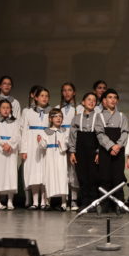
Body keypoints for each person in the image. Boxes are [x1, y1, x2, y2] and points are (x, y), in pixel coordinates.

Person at [94, 88, 128, 214]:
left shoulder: (122, 116)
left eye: (115, 97)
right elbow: (99, 133)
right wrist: (111, 146)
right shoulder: (100, 116)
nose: (113, 100)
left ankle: (119, 204)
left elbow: (125, 132)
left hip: (119, 151)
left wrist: (118, 146)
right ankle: (104, 204)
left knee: (118, 177)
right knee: (105, 177)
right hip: (105, 150)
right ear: (104, 101)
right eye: (110, 97)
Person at [20, 87, 52, 210]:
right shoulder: (28, 112)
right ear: (36, 97)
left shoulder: (51, 112)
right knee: (33, 172)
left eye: (46, 96)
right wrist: (23, 150)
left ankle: (44, 201)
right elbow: (24, 132)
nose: (44, 98)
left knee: (44, 172)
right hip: (32, 145)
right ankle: (34, 201)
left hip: (46, 143)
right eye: (42, 95)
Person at [68, 92, 100, 212]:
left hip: (93, 146)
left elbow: (101, 135)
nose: (91, 102)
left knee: (94, 176)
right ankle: (85, 202)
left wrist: (99, 151)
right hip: (80, 148)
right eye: (89, 99)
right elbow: (72, 135)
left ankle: (94, 202)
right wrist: (72, 151)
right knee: (82, 175)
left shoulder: (99, 117)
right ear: (83, 102)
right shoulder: (76, 118)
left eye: (94, 100)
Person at [0, 99, 20, 210]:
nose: (6, 110)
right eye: (3, 108)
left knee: (10, 174)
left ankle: (10, 200)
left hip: (10, 151)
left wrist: (10, 145)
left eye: (8, 108)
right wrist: (3, 145)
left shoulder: (15, 122)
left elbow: (17, 135)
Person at [38, 108, 70, 211]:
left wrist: (63, 145)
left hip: (61, 156)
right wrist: (40, 141)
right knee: (50, 176)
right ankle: (48, 202)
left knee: (62, 177)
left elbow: (67, 143)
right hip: (50, 157)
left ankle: (63, 203)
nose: (58, 118)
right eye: (56, 116)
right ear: (50, 119)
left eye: (60, 116)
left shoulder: (65, 131)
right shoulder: (45, 131)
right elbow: (43, 146)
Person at [57, 82, 79, 210]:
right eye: (64, 90)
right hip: (60, 141)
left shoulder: (78, 109)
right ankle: (63, 200)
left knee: (73, 171)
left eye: (70, 90)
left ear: (74, 92)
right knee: (62, 170)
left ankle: (74, 199)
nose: (67, 93)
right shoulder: (57, 108)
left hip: (74, 141)